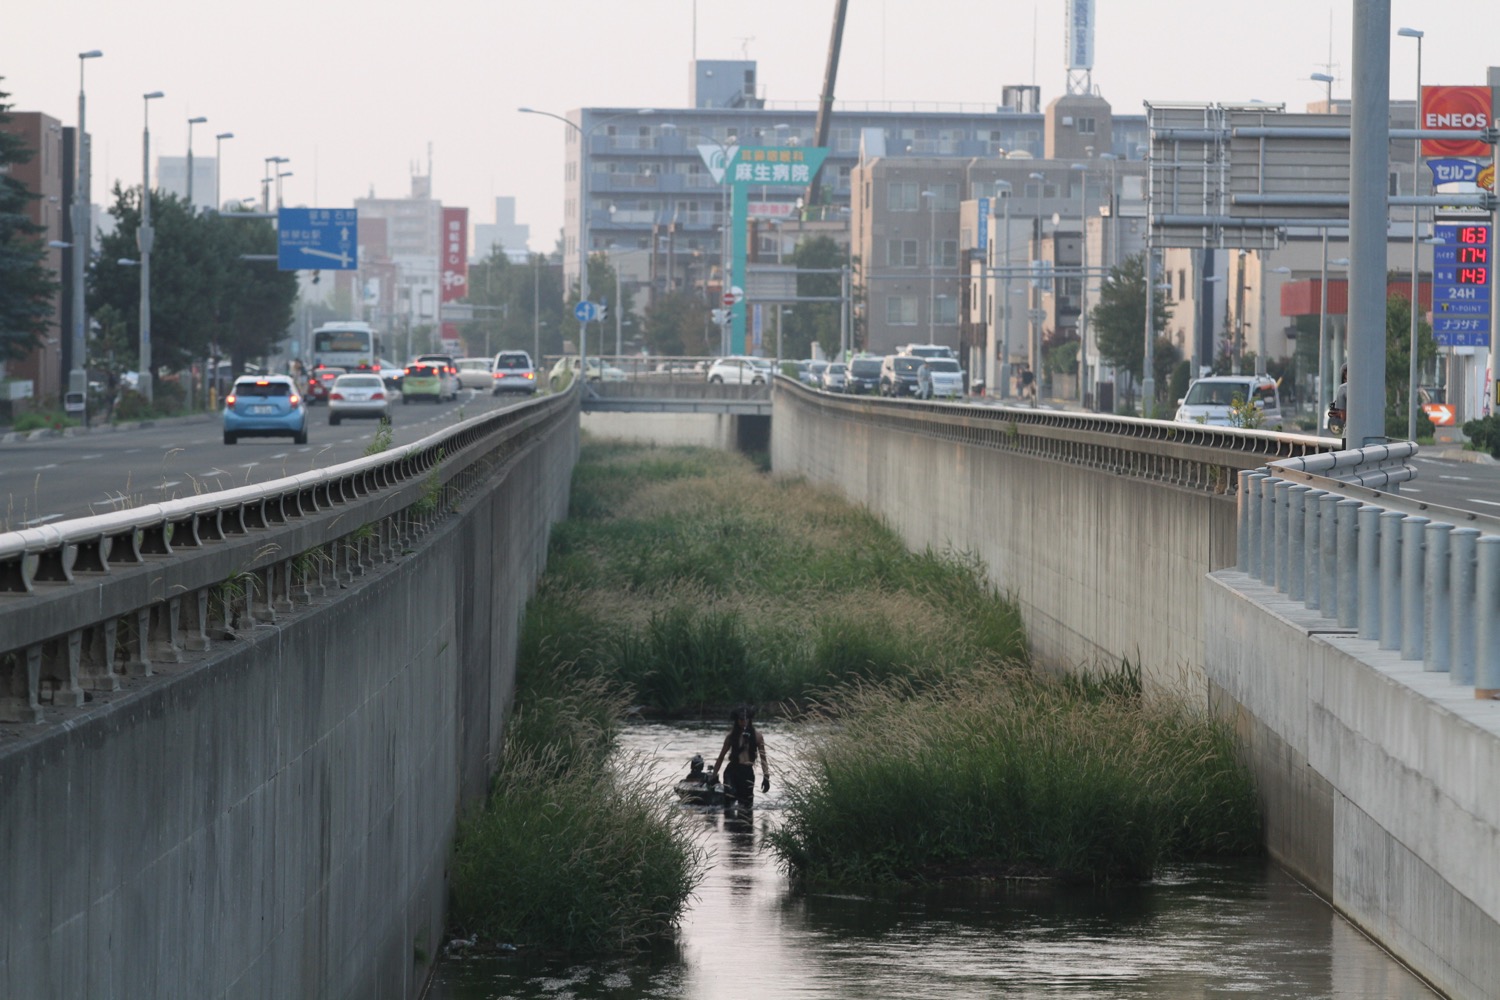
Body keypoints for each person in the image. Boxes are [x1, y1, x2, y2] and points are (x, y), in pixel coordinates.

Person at [712, 705, 770, 809]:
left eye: (746, 719)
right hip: (732, 771)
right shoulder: (731, 737)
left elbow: (763, 759)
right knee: (729, 802)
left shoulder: (757, 737)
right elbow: (721, 757)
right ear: (737, 720)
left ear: (750, 719)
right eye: (741, 719)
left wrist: (766, 777)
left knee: (746, 807)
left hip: (747, 772)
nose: (744, 722)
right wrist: (714, 776)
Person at [1328, 364, 1348, 449]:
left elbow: (1344, 417)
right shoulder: (1373, 387)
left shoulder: (1343, 388)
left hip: (1349, 435)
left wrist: (1338, 414)